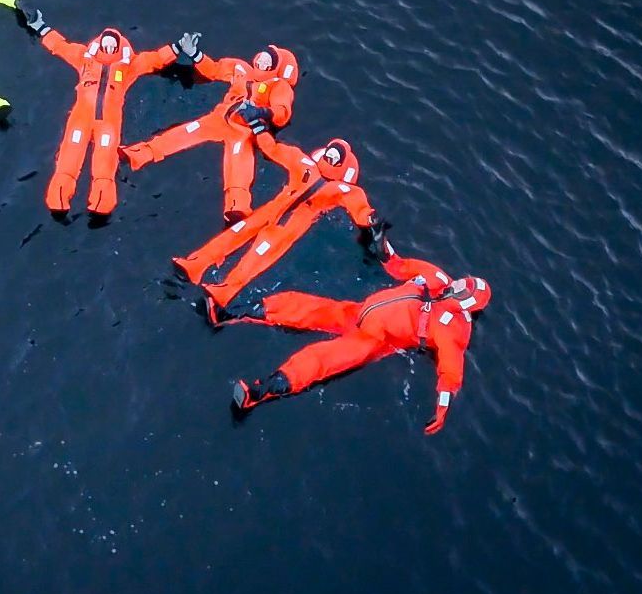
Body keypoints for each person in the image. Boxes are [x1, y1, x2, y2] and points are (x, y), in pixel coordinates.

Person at [225, 249, 492, 435]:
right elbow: (399, 264)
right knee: (305, 306)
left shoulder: (453, 330)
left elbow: (451, 371)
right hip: (358, 312)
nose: (454, 287)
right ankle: (241, 311)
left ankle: (264, 389)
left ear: (466, 303)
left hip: (374, 340)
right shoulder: (436, 279)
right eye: (460, 284)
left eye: (460, 290)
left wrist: (441, 408)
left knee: (322, 359)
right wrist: (380, 242)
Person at [174, 138, 388, 307]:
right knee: (235, 233)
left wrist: (370, 220)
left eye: (335, 158)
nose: (330, 158)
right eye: (330, 154)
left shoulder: (342, 189)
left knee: (257, 256)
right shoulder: (303, 164)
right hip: (272, 210)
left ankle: (224, 291)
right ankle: (195, 264)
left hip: (290, 226)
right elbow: (275, 149)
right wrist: (260, 127)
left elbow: (359, 206)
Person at [120, 36, 300, 223]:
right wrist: (194, 54)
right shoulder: (240, 68)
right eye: (263, 56)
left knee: (238, 167)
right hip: (219, 118)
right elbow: (214, 69)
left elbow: (282, 112)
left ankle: (237, 207)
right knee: (185, 132)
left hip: (243, 130)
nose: (262, 61)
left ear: (275, 68)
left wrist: (260, 111)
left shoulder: (279, 86)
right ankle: (138, 154)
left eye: (269, 61)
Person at [23, 11, 179, 216]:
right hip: (81, 118)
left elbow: (154, 60)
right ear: (99, 42)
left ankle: (101, 207)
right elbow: (61, 46)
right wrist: (40, 27)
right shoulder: (84, 58)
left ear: (118, 46)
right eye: (106, 43)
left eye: (112, 45)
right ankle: (58, 201)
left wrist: (176, 49)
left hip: (108, 123)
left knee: (104, 165)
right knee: (68, 159)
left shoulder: (129, 65)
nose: (108, 47)